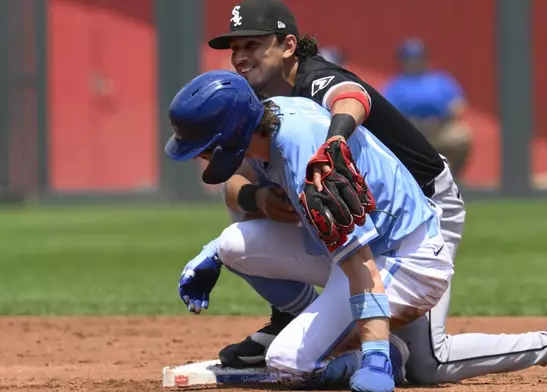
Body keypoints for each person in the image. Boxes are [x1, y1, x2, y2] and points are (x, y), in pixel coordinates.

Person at [185, 0, 547, 385]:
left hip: (422, 206)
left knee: (428, 363)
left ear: (287, 46)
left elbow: (353, 97)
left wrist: (336, 139)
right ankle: (305, 324)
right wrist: (259, 200)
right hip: (357, 223)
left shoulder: (313, 80)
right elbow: (233, 180)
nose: (241, 56)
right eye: (234, 48)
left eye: (252, 44)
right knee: (242, 236)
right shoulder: (251, 102)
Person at [165, 69, 455, 391]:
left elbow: (361, 265)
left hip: (407, 261)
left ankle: (386, 354)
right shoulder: (268, 120)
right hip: (364, 252)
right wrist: (213, 253)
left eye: (205, 148)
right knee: (231, 244)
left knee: (288, 364)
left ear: (232, 133)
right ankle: (320, 327)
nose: (202, 157)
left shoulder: (307, 163)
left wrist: (374, 357)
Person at [382, 37, 472, 180]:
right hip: (412, 129)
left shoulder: (440, 79)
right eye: (410, 59)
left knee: (461, 135)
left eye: (417, 58)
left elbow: (459, 105)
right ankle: (411, 181)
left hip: (441, 126)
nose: (414, 62)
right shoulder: (396, 84)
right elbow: (387, 112)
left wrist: (443, 118)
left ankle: (453, 179)